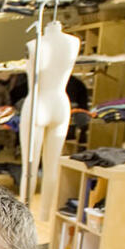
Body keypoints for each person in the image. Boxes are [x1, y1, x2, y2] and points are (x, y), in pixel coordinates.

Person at [20, 21, 80, 220]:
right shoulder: (73, 42)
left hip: (38, 102)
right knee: (51, 166)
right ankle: (45, 215)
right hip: (61, 103)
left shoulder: (35, 44)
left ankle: (25, 215)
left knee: (29, 166)